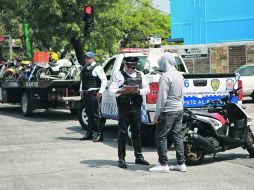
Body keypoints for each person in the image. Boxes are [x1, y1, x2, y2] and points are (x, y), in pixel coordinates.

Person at [109, 57, 150, 169]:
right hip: (124, 107)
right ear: (125, 65)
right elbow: (111, 90)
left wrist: (139, 91)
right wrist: (121, 90)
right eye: (129, 67)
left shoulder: (140, 74)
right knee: (122, 132)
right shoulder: (119, 75)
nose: (131, 69)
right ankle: (121, 158)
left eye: (133, 67)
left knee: (136, 131)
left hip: (136, 107)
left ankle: (139, 156)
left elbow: (147, 89)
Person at [149, 52, 187, 173]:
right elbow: (182, 94)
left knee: (160, 136)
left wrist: (157, 114)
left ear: (164, 62)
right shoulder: (180, 75)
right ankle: (181, 163)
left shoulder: (165, 76)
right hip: (179, 109)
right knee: (177, 135)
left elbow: (162, 97)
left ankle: (163, 164)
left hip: (168, 110)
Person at [79, 51, 107, 142]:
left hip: (94, 93)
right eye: (86, 58)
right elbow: (83, 80)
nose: (86, 59)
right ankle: (89, 134)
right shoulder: (85, 68)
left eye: (88, 58)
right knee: (89, 115)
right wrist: (81, 90)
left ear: (93, 58)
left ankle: (100, 135)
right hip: (86, 94)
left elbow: (104, 80)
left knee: (96, 115)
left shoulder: (98, 68)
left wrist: (100, 92)